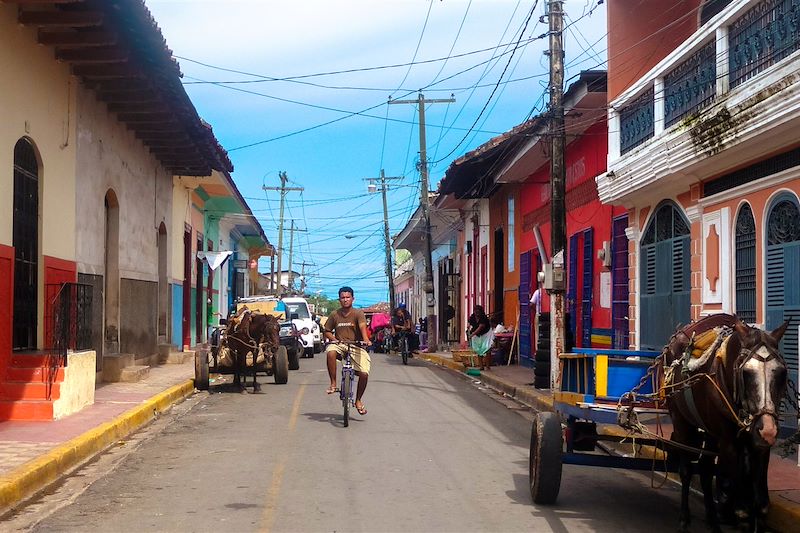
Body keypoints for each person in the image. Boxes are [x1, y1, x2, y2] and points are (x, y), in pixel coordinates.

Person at [323, 286, 372, 415]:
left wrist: (366, 339)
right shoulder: (334, 314)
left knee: (364, 373)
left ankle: (358, 400)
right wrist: (334, 339)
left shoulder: (358, 313)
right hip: (340, 344)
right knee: (330, 351)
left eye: (348, 297)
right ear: (339, 299)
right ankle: (333, 383)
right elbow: (327, 331)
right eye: (343, 298)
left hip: (356, 345)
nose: (345, 300)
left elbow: (362, 326)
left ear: (352, 299)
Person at [467, 305, 493, 370]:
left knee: (487, 349)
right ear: (474, 311)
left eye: (478, 311)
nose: (477, 313)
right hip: (477, 334)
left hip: (486, 333)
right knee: (479, 349)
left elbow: (480, 327)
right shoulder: (472, 317)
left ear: (481, 312)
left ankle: (487, 366)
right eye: (476, 311)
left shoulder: (483, 317)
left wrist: (472, 334)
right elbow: (469, 322)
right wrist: (468, 326)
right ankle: (481, 366)